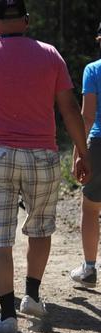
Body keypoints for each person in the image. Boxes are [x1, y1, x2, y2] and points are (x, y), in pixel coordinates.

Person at [0, 0, 90, 333]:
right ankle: (31, 295)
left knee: (1, 240)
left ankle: (7, 316)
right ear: (27, 21)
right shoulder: (50, 54)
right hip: (41, 155)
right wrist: (83, 152)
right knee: (40, 228)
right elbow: (71, 109)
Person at [70, 22, 101, 288]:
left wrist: (78, 153)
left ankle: (90, 268)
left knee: (91, 208)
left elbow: (87, 116)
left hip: (99, 144)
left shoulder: (93, 70)